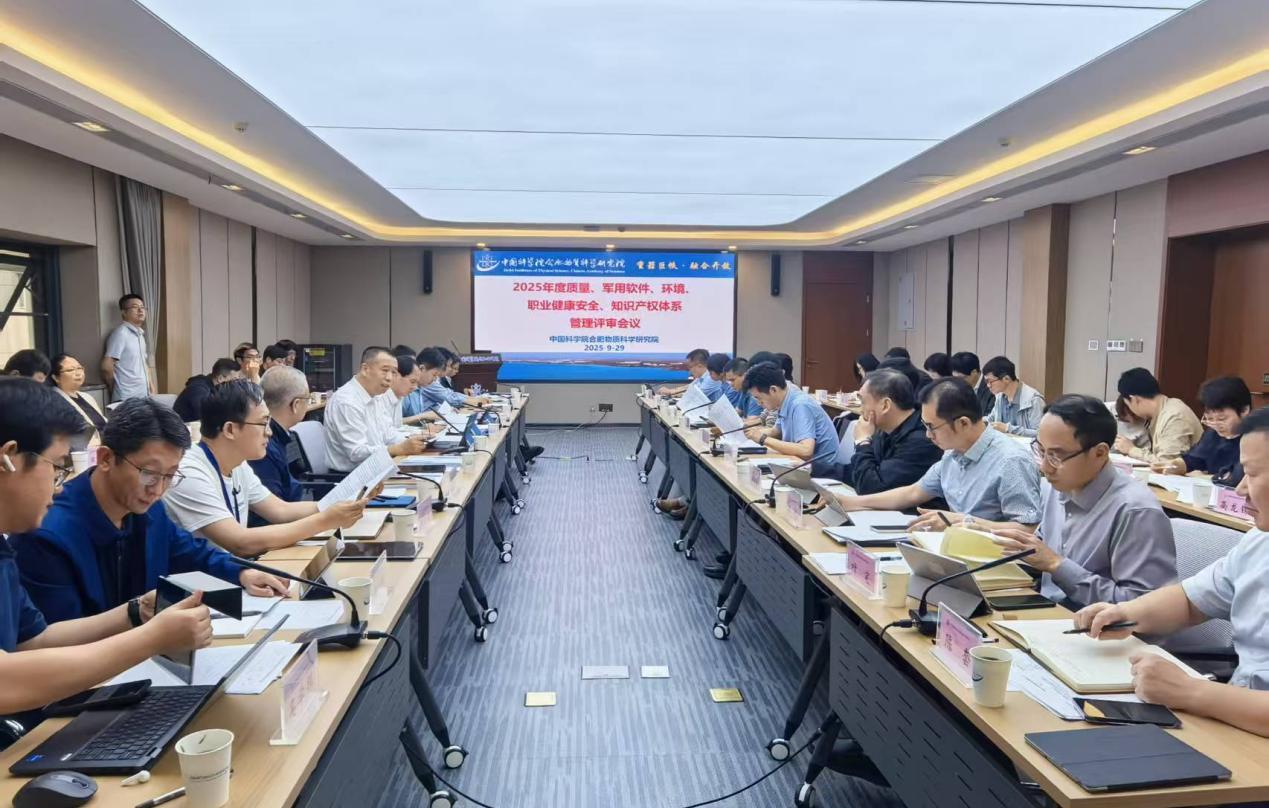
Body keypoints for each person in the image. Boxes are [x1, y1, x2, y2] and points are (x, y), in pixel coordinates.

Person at [0, 379, 212, 721]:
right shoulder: (49, 533)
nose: (59, 486)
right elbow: (5, 681)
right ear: (8, 459)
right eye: (56, 467)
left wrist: (134, 613)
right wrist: (151, 639)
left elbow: (34, 640)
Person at [1073, 408, 1269, 735]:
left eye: (1252, 473)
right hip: (1235, 720)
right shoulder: (1259, 543)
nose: (1240, 489)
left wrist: (1190, 691)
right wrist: (1125, 614)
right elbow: (1191, 601)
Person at [12, 397, 289, 625]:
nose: (158, 489)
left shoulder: (148, 509)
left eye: (170, 475)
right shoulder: (48, 533)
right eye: (149, 473)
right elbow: (55, 641)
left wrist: (241, 573)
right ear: (106, 458)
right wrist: (146, 630)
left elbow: (190, 552)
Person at [991, 395, 1176, 609]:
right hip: (1048, 613)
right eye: (1041, 451)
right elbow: (1041, 548)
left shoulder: (1136, 511)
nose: (1045, 467)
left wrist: (1056, 565)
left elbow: (1143, 607)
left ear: (1099, 453)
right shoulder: (1056, 487)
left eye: (1056, 456)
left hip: (1100, 627)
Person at [162, 380, 367, 552]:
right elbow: (240, 542)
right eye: (263, 423)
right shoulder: (189, 472)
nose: (269, 432)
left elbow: (280, 510)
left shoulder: (238, 464)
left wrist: (347, 501)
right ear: (230, 430)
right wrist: (325, 520)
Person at [834, 378, 1042, 531]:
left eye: (932, 427)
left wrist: (964, 523)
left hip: (996, 566)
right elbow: (912, 493)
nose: (927, 435)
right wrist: (850, 502)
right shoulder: (953, 454)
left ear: (963, 423)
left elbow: (1027, 530)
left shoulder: (1010, 460)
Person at [325, 346, 433, 472]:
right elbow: (356, 453)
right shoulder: (347, 401)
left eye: (393, 372)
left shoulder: (376, 397)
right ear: (365, 369)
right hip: (353, 476)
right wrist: (398, 449)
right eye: (385, 370)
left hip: (378, 467)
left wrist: (415, 440)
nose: (389, 378)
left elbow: (388, 434)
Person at [845, 369, 943, 495]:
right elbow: (860, 471)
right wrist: (821, 469)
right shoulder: (884, 430)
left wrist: (862, 442)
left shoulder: (922, 441)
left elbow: (870, 487)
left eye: (863, 401)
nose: (860, 409)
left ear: (885, 405)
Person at [742, 363, 841, 477]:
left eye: (758, 398)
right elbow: (777, 431)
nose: (759, 403)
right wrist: (752, 433)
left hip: (822, 472)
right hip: (801, 464)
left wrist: (762, 438)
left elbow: (806, 451)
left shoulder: (800, 405)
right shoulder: (785, 398)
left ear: (773, 390)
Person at [1152, 376, 1251, 487]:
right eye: (1210, 419)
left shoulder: (1257, 438)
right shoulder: (1213, 433)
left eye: (1222, 419)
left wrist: (1203, 477)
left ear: (1244, 410)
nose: (1215, 424)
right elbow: (1196, 459)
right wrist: (1177, 465)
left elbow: (1237, 478)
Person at [1113, 367, 1202, 463]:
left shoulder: (1174, 417)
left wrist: (1131, 450)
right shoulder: (1164, 410)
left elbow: (1167, 464)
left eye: (1128, 405)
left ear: (1135, 400)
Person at [249, 366, 310, 505]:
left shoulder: (277, 436)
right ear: (296, 404)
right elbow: (274, 510)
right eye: (308, 398)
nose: (267, 432)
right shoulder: (263, 446)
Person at [102, 294, 153, 402]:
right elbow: (107, 366)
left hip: (143, 395)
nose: (140, 310)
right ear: (124, 312)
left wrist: (150, 385)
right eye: (135, 307)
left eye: (142, 307)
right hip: (127, 397)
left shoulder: (140, 335)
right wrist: (115, 388)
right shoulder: (121, 333)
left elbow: (143, 364)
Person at [983, 355, 1045, 437]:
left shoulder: (1033, 400)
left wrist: (1008, 428)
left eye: (990, 381)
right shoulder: (1000, 397)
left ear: (1006, 379)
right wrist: (977, 422)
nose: (988, 385)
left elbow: (1041, 434)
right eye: (986, 382)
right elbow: (991, 419)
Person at [48, 354, 107, 434]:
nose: (78, 373)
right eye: (70, 370)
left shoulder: (87, 397)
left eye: (79, 368)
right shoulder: (53, 401)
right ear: (56, 377)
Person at [173, 358, 241, 422]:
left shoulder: (218, 388)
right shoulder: (198, 389)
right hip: (184, 428)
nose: (236, 383)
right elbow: (205, 415)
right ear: (220, 378)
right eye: (234, 379)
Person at [950, 351, 994, 419]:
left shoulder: (991, 387)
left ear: (974, 372)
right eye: (955, 378)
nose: (958, 381)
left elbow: (989, 417)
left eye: (961, 378)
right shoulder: (958, 388)